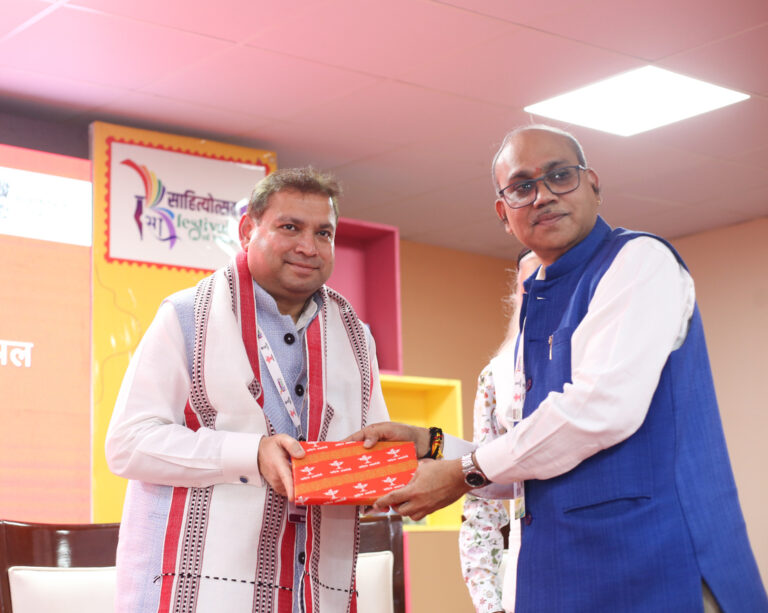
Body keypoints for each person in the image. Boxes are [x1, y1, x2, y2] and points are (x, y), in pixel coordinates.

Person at [350, 126, 768, 612]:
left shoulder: (638, 261)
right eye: (522, 186)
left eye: (559, 176)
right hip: (569, 576)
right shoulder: (537, 303)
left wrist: (460, 473)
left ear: (593, 184)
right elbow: (528, 467)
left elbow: (597, 412)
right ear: (504, 214)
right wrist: (431, 445)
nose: (543, 195)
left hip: (656, 567)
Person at [105, 167, 390, 613]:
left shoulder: (356, 336)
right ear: (247, 230)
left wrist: (380, 478)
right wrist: (250, 454)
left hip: (314, 590)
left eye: (324, 232)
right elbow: (127, 444)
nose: (308, 247)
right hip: (200, 590)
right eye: (289, 227)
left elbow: (372, 447)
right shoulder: (186, 315)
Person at [459, 248, 540, 613]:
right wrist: (490, 606)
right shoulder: (498, 376)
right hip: (527, 586)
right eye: (529, 286)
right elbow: (481, 503)